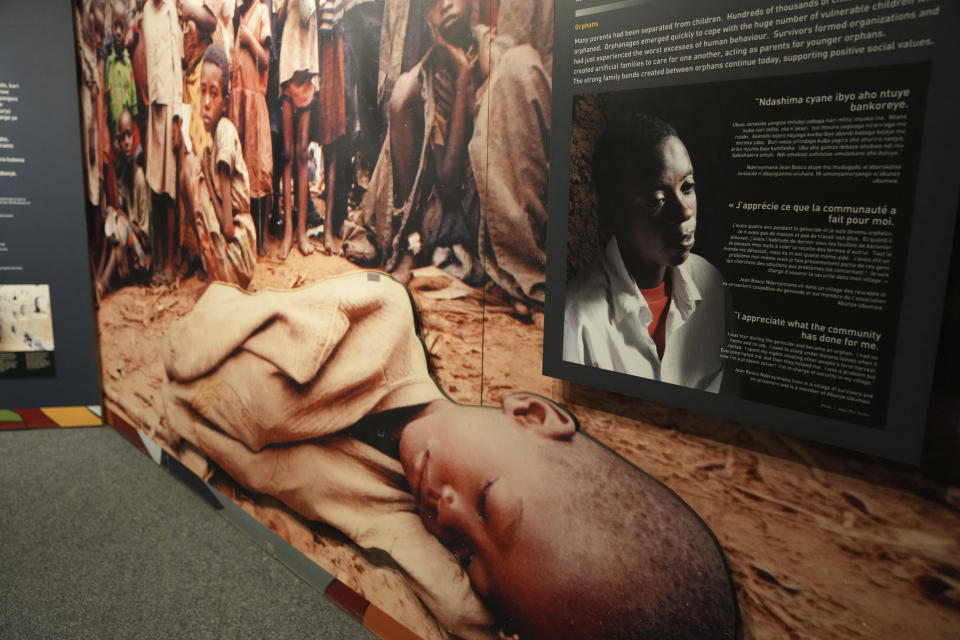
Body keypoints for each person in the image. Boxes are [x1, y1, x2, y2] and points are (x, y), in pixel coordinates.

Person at [161, 270, 738, 640]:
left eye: (464, 555)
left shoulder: (391, 504)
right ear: (534, 416)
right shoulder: (378, 318)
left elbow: (459, 607)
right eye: (488, 502)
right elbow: (224, 326)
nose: (446, 514)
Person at [354, 0, 550, 318]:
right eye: (433, 4)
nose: (444, 5)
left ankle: (512, 274)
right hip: (446, 212)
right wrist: (462, 82)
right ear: (429, 21)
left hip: (495, 208)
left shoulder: (493, 50)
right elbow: (447, 182)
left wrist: (483, 90)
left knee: (519, 65)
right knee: (402, 91)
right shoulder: (434, 74)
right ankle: (410, 245)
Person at [563, 113, 728, 392]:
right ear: (611, 213)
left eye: (687, 187)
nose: (685, 210)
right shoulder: (577, 319)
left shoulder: (712, 284)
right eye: (657, 201)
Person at [179, 44, 257, 288]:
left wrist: (204, 176)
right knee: (194, 166)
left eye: (213, 94)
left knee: (190, 167)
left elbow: (228, 227)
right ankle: (212, 268)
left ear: (225, 103)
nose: (205, 102)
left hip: (236, 253)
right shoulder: (215, 141)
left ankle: (216, 276)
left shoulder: (224, 130)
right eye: (202, 91)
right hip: (237, 255)